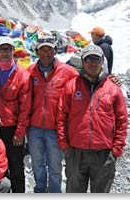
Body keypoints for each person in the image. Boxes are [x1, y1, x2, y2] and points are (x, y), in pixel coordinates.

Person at [57, 44, 128, 193]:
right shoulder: (71, 86)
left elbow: (122, 120)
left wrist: (116, 150)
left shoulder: (113, 89)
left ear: (102, 61)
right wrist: (65, 146)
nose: (92, 63)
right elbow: (61, 117)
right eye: (88, 59)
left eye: (96, 59)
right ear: (83, 62)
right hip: (76, 152)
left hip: (104, 153)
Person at [27, 35, 79, 193]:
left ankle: (55, 193)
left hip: (56, 128)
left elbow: (86, 83)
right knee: (37, 163)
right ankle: (40, 190)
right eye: (42, 50)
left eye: (49, 49)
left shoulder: (68, 72)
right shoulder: (30, 71)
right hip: (34, 127)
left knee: (55, 164)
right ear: (36, 51)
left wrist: (109, 78)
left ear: (55, 50)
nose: (46, 53)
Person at [0, 36, 32, 193]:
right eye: (1, 49)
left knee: (16, 167)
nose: (5, 53)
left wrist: (20, 133)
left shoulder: (22, 75)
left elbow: (25, 108)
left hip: (12, 128)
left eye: (8, 49)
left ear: (14, 51)